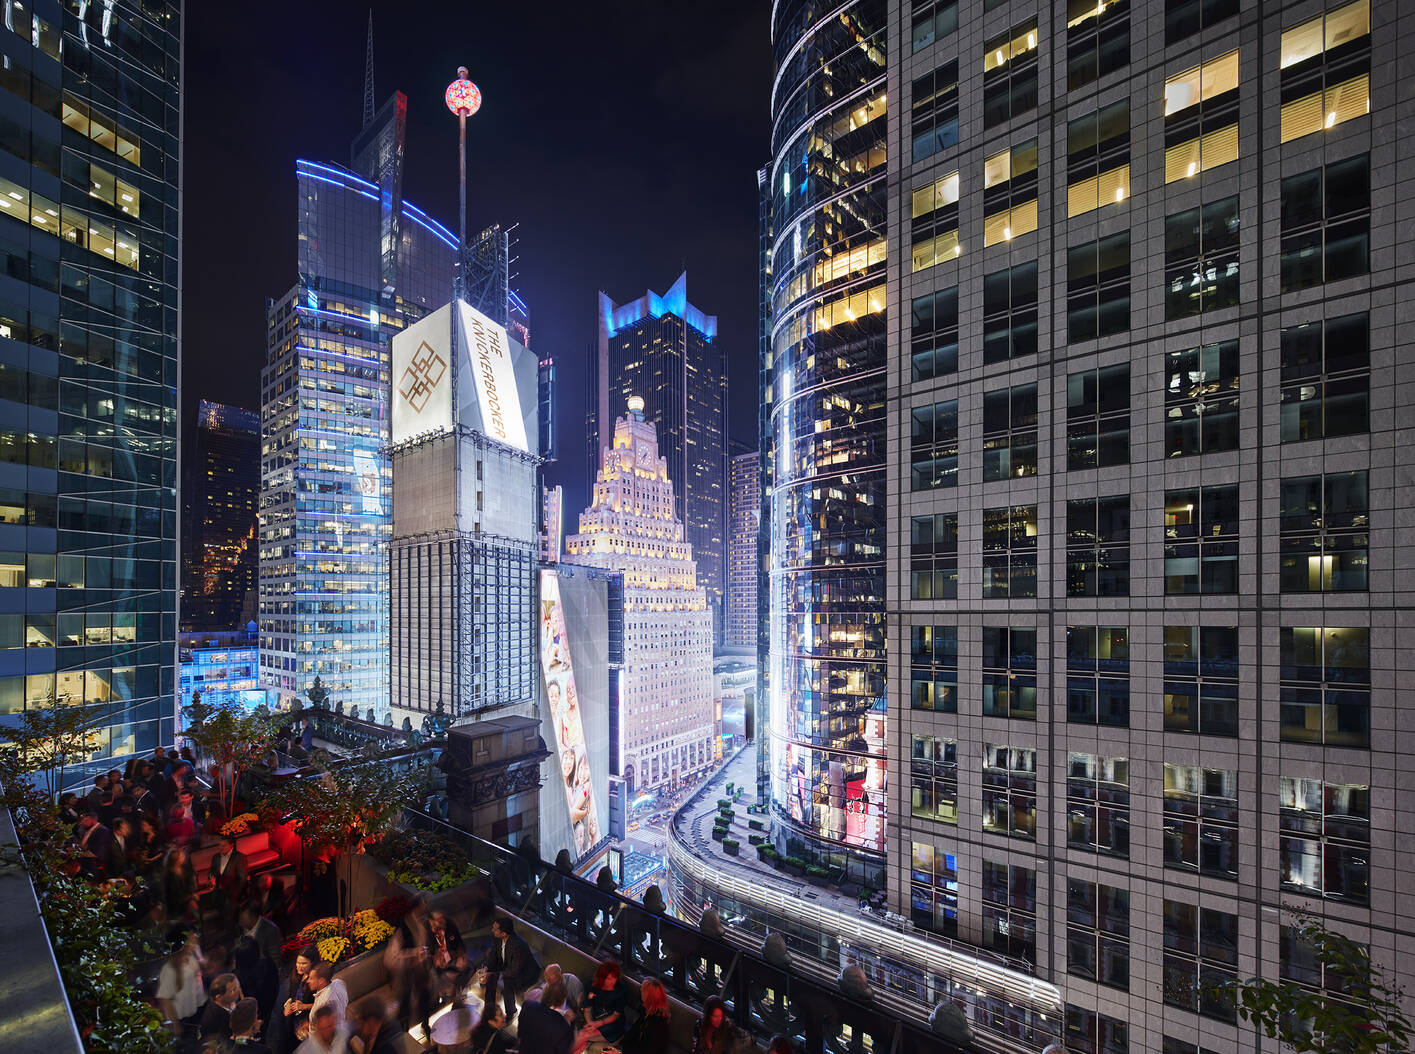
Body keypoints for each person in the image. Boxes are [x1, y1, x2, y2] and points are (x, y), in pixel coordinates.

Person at [474, 917, 539, 1021]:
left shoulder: (518, 946)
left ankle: (512, 1012)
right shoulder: (497, 938)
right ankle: (489, 1009)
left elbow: (514, 971)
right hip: (508, 965)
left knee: (507, 983)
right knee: (490, 977)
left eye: (495, 929)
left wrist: (493, 974)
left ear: (504, 933)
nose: (492, 930)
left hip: (524, 973)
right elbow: (492, 956)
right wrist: (486, 968)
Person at [385, 895, 433, 1038]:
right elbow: (394, 954)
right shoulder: (403, 926)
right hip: (405, 970)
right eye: (423, 905)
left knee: (424, 995)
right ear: (416, 908)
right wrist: (415, 952)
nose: (425, 908)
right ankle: (402, 1034)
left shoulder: (421, 922)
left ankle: (425, 1024)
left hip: (418, 968)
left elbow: (422, 943)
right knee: (405, 1002)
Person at [517, 980, 596, 1054]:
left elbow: (520, 1031)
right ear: (563, 1000)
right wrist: (568, 1022)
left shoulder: (528, 1005)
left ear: (544, 993)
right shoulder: (563, 1028)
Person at [156, 932, 208, 1041]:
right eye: (189, 942)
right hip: (182, 1019)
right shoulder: (169, 969)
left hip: (197, 1012)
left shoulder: (190, 958)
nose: (192, 944)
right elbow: (165, 999)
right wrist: (175, 1025)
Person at [606, 977, 670, 1054]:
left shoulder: (658, 1024)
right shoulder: (646, 1013)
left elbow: (647, 1050)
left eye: (642, 990)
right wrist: (618, 1049)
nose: (640, 991)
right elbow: (631, 1034)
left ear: (649, 997)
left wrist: (620, 1052)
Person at [234, 936, 280, 1029]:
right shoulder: (268, 964)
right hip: (268, 1013)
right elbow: (273, 991)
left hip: (249, 1018)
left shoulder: (237, 975)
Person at [281, 945, 319, 1052]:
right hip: (295, 1026)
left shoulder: (316, 980)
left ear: (313, 963)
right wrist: (287, 1008)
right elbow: (292, 997)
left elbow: (323, 1003)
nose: (299, 966)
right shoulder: (296, 976)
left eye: (304, 963)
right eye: (298, 962)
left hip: (309, 1026)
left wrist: (304, 1007)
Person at [427, 909, 469, 1002]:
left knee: (463, 970)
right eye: (439, 920)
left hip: (452, 959)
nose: (443, 922)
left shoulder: (449, 924)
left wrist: (462, 957)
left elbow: (460, 944)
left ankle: (458, 996)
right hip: (436, 966)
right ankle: (445, 998)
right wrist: (436, 960)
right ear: (431, 921)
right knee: (443, 979)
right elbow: (427, 954)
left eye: (442, 919)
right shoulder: (427, 932)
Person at [584, 960, 628, 1045]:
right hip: (595, 1018)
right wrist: (590, 1023)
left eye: (614, 978)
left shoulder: (621, 990)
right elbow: (587, 1008)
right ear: (602, 978)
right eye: (609, 979)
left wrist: (598, 1024)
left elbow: (616, 1015)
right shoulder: (592, 985)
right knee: (582, 1035)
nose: (612, 982)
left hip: (612, 1023)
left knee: (583, 1036)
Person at [304, 962, 348, 1038]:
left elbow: (315, 1035)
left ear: (321, 981)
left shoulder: (321, 1005)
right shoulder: (339, 982)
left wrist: (308, 1028)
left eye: (311, 978)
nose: (307, 981)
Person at [200, 972, 243, 1040]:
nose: (238, 990)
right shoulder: (213, 1019)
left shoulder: (232, 1001)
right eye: (233, 990)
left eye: (238, 986)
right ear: (219, 997)